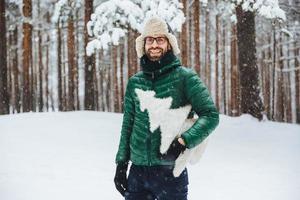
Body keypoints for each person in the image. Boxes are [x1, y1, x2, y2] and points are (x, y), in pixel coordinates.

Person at [114, 16, 219, 200]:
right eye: (150, 40)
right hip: (137, 173)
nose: (154, 45)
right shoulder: (135, 82)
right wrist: (121, 164)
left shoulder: (185, 78)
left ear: (169, 44)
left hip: (171, 173)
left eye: (160, 39)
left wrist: (183, 142)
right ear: (143, 44)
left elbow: (210, 115)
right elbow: (128, 125)